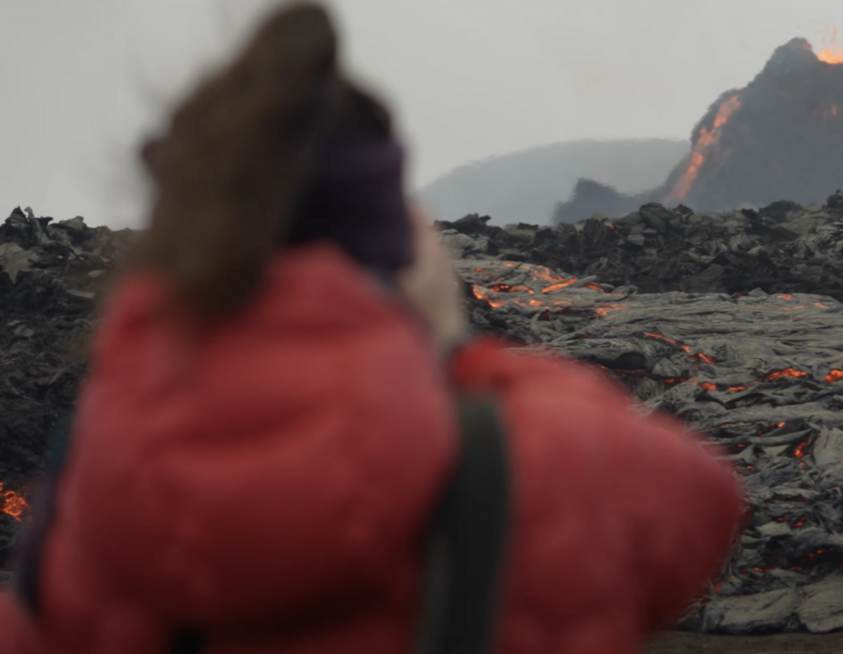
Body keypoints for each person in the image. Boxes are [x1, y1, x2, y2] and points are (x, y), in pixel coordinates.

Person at [0, 3, 745, 653]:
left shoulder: (89, 497)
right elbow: (703, 500)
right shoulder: (530, 461)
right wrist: (452, 347)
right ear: (385, 244)